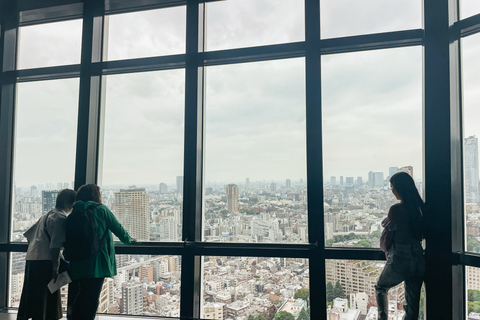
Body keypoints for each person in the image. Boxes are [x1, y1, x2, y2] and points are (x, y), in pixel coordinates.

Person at [66, 184, 136, 320]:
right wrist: (130, 240)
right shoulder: (101, 210)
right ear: (96, 196)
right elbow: (119, 230)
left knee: (81, 295)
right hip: (96, 262)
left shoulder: (75, 212)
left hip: (77, 262)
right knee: (92, 298)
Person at [18, 188, 77, 320]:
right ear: (70, 203)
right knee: (46, 298)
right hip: (45, 262)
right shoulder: (60, 218)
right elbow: (56, 245)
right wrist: (55, 268)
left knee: (34, 297)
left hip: (33, 258)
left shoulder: (47, 214)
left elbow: (29, 235)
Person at [375, 172, 426, 320]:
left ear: (400, 189)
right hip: (419, 257)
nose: (392, 191)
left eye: (393, 188)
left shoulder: (396, 210)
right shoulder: (421, 208)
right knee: (412, 303)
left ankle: (382, 318)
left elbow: (388, 233)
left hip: (400, 257)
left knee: (381, 287)